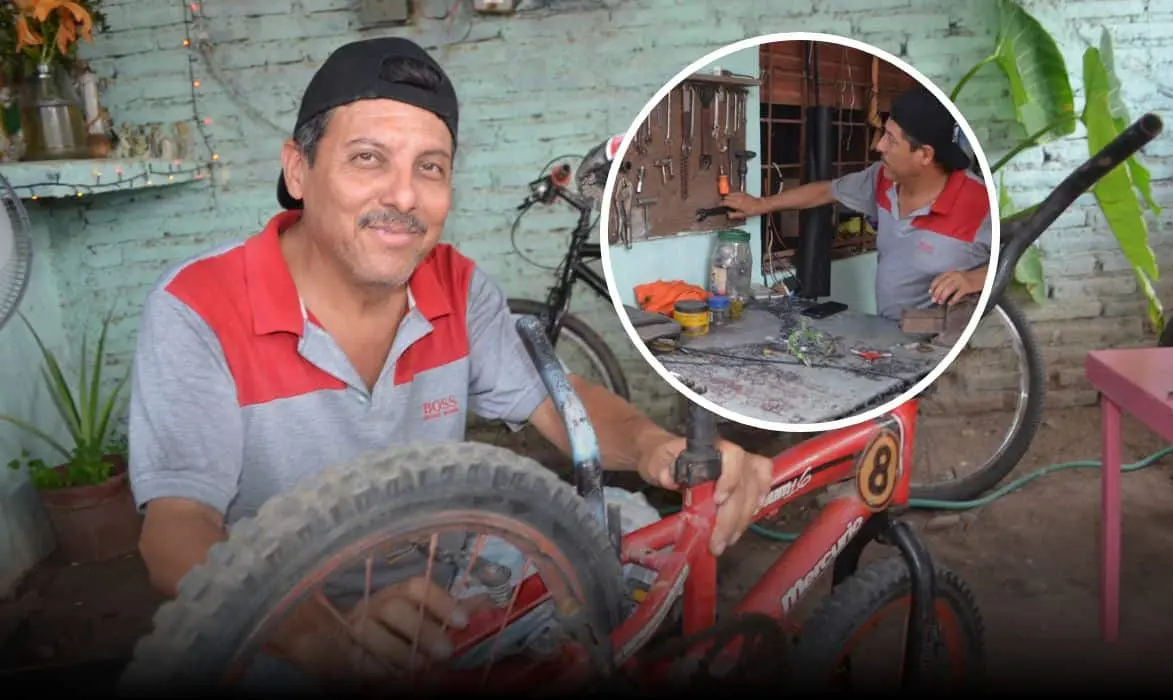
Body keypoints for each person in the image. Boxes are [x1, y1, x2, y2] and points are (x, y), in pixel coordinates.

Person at [126, 38, 773, 686]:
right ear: (298, 170)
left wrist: (659, 447)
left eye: (430, 167)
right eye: (368, 158)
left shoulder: (456, 288)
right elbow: (177, 528)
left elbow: (560, 403)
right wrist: (326, 636)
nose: (404, 196)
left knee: (633, 540)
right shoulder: (199, 308)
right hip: (282, 621)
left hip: (445, 585)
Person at [721, 86, 993, 323]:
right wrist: (760, 205)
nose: (878, 146)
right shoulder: (882, 179)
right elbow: (825, 191)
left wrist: (974, 279)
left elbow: (1012, 261)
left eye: (891, 140)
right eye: (883, 134)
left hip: (948, 345)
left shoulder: (978, 202)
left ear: (924, 155)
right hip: (891, 331)